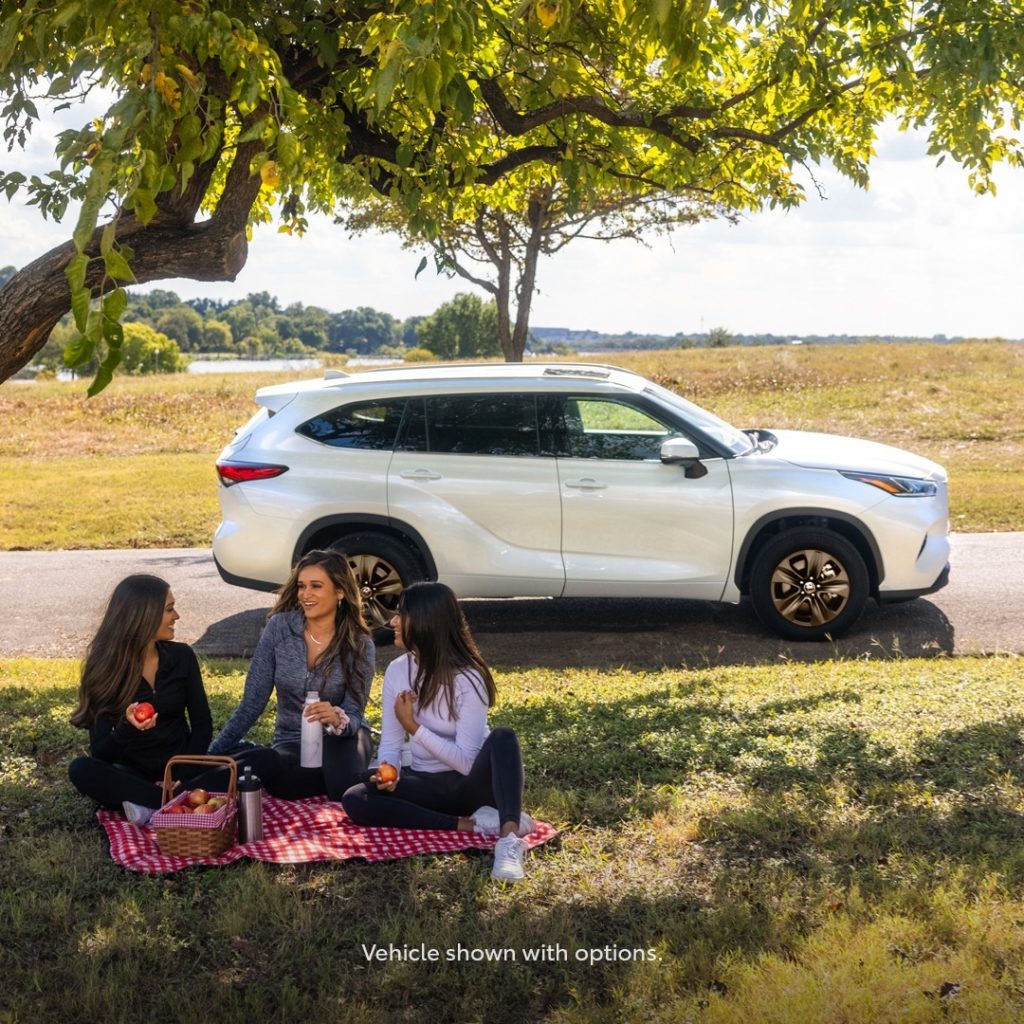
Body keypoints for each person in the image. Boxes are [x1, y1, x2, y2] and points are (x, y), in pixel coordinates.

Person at [342, 582, 534, 882]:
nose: (392, 622)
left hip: (471, 785)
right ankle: (470, 826)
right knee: (355, 798)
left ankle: (508, 840)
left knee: (504, 737)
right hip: (427, 784)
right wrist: (388, 770)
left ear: (424, 623)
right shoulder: (397, 670)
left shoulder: (469, 678)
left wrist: (414, 728)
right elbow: (391, 742)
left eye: (400, 615)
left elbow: (467, 763)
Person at [68, 574, 279, 824]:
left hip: (185, 768)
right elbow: (101, 754)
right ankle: (175, 800)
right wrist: (126, 727)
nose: (176, 616)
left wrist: (181, 774)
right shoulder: (104, 668)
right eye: (169, 609)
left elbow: (202, 725)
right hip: (134, 774)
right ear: (143, 615)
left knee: (267, 759)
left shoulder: (182, 656)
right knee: (81, 769)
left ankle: (153, 804)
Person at [209, 549, 374, 799]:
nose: (305, 595)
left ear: (340, 591)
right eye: (301, 586)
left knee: (342, 789)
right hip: (291, 741)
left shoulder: (359, 643)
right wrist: (211, 756)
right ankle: (194, 781)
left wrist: (336, 718)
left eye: (316, 586)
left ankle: (347, 778)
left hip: (342, 739)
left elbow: (354, 712)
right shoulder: (279, 628)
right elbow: (252, 703)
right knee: (280, 779)